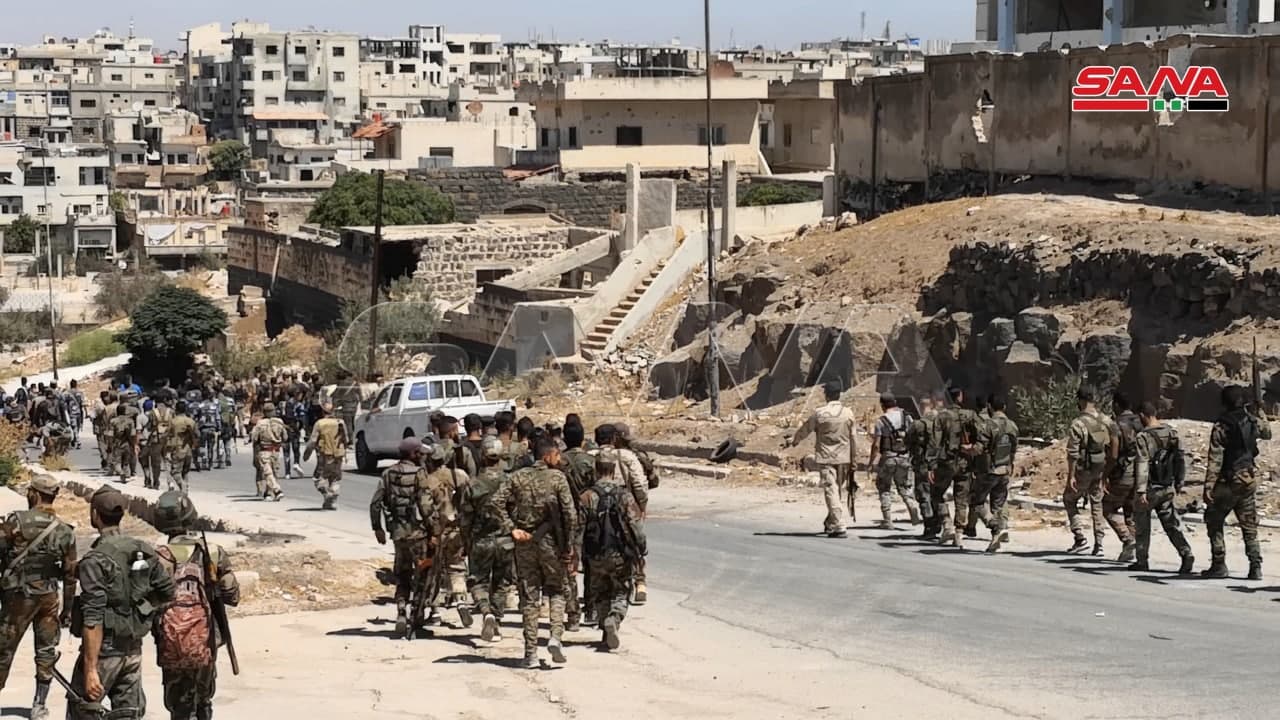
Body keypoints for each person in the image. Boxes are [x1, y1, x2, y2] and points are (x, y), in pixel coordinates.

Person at [66, 487, 175, 720]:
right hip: (132, 649)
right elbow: (167, 591)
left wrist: (91, 669)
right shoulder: (141, 549)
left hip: (105, 651)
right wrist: (142, 608)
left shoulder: (96, 560)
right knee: (127, 713)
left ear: (95, 514)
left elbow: (93, 617)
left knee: (83, 709)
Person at [489, 437, 577, 669]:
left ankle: (530, 654)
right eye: (557, 454)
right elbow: (570, 515)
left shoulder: (517, 476)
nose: (559, 459)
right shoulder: (558, 478)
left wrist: (511, 528)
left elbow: (496, 502)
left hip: (525, 543)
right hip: (552, 544)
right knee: (557, 590)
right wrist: (568, 546)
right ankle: (555, 636)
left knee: (529, 597)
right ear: (547, 456)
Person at [152, 492, 240, 720]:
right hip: (206, 641)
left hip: (172, 642)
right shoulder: (213, 552)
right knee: (203, 700)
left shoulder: (158, 557)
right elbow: (232, 595)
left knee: (179, 706)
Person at [0, 475, 76, 720]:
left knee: (4, 649)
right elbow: (70, 575)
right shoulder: (64, 530)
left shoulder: (16, 522)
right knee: (46, 650)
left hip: (18, 597)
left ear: (34, 494)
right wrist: (67, 610)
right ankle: (39, 704)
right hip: (49, 597)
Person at [1203, 385, 1271, 580]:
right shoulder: (1252, 420)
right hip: (1248, 478)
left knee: (1213, 519)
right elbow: (1267, 433)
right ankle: (1255, 566)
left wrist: (1209, 486)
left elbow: (1215, 459)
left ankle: (1219, 564)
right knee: (1249, 524)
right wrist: (1260, 411)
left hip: (1229, 480)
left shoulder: (1222, 425)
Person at [580, 449, 646, 651]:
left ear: (596, 469)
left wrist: (576, 554)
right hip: (620, 554)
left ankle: (604, 629)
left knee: (600, 593)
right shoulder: (624, 496)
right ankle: (614, 618)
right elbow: (636, 526)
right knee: (621, 591)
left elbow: (577, 529)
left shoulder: (587, 497)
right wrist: (641, 548)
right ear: (613, 469)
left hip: (595, 554)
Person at [370, 438, 432, 638]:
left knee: (402, 575)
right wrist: (434, 530)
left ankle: (401, 608)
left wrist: (377, 528)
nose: (422, 455)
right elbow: (425, 506)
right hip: (418, 534)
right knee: (422, 575)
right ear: (413, 454)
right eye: (419, 452)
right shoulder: (420, 474)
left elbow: (375, 503)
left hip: (398, 534)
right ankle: (415, 620)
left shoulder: (388, 473)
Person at [460, 436, 515, 642]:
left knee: (478, 582)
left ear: (482, 456)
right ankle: (497, 622)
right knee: (501, 583)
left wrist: (465, 542)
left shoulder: (472, 484)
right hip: (505, 540)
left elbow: (465, 518)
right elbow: (515, 512)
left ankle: (486, 612)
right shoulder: (509, 482)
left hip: (481, 540)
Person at [1130, 401, 1194, 574]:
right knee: (1171, 524)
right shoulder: (1171, 432)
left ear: (1142, 415)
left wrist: (1141, 490)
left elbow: (1142, 463)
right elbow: (1180, 458)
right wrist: (1179, 481)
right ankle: (1186, 553)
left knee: (1142, 526)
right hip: (1167, 486)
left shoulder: (1143, 437)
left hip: (1150, 488)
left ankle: (1142, 560)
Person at [791, 382, 856, 539]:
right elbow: (853, 438)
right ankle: (831, 522)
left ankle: (839, 525)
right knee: (836, 491)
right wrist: (853, 459)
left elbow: (805, 429)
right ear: (839, 394)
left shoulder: (820, 413)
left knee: (831, 490)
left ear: (826, 395)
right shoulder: (848, 413)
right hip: (844, 458)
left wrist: (795, 440)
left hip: (826, 458)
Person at [422, 441, 472, 628]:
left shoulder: (428, 481)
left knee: (433, 571)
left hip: (437, 532)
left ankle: (435, 612)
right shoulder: (460, 476)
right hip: (457, 529)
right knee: (456, 567)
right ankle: (461, 601)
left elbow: (425, 509)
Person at [1064, 386, 1119, 555]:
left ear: (1080, 400)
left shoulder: (1078, 424)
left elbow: (1072, 453)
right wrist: (1108, 470)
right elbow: (1114, 445)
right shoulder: (1107, 421)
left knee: (1069, 499)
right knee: (1097, 503)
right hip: (1101, 467)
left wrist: (1071, 476)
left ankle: (1079, 537)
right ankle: (1099, 544)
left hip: (1083, 469)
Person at [558, 423, 595, 630]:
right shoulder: (590, 461)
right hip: (588, 516)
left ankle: (572, 614)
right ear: (582, 440)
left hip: (565, 517)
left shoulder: (559, 461)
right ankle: (591, 608)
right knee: (590, 562)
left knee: (569, 564)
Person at [971, 396, 1019, 553]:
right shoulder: (1012, 426)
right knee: (998, 505)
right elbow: (1013, 449)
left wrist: (967, 449)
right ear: (1004, 407)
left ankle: (994, 525)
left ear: (989, 407)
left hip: (989, 470)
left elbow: (979, 448)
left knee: (976, 501)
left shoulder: (988, 425)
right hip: (1005, 470)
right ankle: (996, 537)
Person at [869, 393, 921, 529]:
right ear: (895, 402)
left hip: (888, 459)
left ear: (882, 405)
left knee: (884, 488)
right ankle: (913, 511)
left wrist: (872, 462)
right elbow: (915, 437)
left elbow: (876, 445)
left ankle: (887, 520)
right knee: (905, 487)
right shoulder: (907, 417)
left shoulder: (881, 421)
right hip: (904, 458)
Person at [1105, 393, 1142, 564]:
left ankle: (1128, 540)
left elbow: (1113, 455)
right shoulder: (1141, 422)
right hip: (1141, 473)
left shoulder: (1116, 425)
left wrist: (1105, 475)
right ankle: (1135, 551)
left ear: (1117, 405)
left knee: (1108, 508)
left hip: (1123, 473)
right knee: (1130, 512)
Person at [906, 396, 938, 536]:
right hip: (940, 464)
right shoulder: (940, 422)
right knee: (937, 495)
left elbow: (907, 442)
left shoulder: (917, 424)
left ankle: (929, 526)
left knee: (923, 494)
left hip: (923, 464)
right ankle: (940, 523)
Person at [307, 403, 349, 510]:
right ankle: (331, 500)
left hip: (325, 455)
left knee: (318, 477)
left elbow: (312, 441)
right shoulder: (340, 422)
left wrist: (306, 454)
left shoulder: (320, 423)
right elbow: (347, 440)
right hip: (338, 455)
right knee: (334, 478)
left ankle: (327, 494)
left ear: (322, 412)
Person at [249, 403, 287, 501]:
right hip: (276, 451)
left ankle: (277, 490)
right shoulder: (279, 422)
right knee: (274, 472)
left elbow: (254, 437)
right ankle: (268, 493)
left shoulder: (260, 423)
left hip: (264, 450)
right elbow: (285, 437)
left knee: (268, 473)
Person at [140, 398, 175, 491]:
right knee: (168, 461)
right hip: (168, 439)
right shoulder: (171, 412)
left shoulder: (153, 413)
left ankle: (156, 482)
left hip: (156, 440)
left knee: (156, 463)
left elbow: (149, 427)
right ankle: (170, 482)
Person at [168, 402, 201, 494]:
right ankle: (185, 492)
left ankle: (183, 486)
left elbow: (168, 435)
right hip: (189, 450)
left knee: (175, 472)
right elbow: (198, 435)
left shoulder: (173, 421)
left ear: (176, 410)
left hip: (177, 449)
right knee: (185, 472)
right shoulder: (191, 421)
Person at [109, 405, 139, 483]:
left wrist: (110, 445)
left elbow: (110, 435)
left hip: (117, 444)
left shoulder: (113, 421)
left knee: (116, 463)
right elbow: (133, 434)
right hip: (127, 444)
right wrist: (134, 444)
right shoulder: (130, 421)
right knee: (126, 462)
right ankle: (125, 475)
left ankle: (121, 473)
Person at [64, 380, 85, 449]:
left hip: (71, 412)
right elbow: (82, 403)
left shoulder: (67, 393)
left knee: (74, 427)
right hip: (79, 412)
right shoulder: (80, 393)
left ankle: (76, 441)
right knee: (77, 427)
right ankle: (77, 440)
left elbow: (64, 403)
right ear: (76, 384)